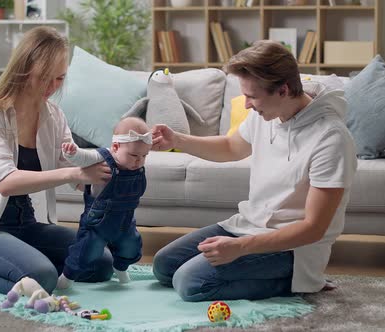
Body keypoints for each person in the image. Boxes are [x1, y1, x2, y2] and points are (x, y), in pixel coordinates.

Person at [151, 40, 357, 302]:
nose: (246, 104)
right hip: (248, 227)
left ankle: (300, 282)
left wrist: (240, 248)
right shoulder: (266, 114)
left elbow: (313, 229)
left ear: (283, 90)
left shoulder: (331, 138)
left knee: (190, 283)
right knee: (164, 265)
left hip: (294, 248)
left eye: (252, 96)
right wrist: (177, 141)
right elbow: (230, 147)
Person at [0, 26, 114, 294]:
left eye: (60, 78)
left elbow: (72, 168)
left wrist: (108, 174)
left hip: (26, 223)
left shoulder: (53, 115)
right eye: (45, 77)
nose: (52, 87)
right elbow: (6, 182)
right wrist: (75, 175)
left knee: (101, 261)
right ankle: (5, 270)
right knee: (42, 275)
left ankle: (19, 269)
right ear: (24, 67)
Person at [56, 117, 151, 289]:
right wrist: (72, 153)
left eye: (144, 156)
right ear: (115, 147)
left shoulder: (135, 167)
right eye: (134, 155)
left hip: (124, 223)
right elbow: (83, 157)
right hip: (97, 224)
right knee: (86, 251)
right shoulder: (102, 157)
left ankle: (121, 268)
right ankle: (67, 278)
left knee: (131, 247)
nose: (139, 161)